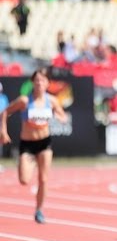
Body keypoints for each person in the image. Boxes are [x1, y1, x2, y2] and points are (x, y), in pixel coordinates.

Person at [0, 68, 67, 224]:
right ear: (32, 82)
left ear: (47, 83)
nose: (39, 83)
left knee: (43, 179)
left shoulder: (51, 101)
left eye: (42, 80)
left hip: (44, 144)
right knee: (24, 180)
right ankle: (26, 162)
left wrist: (60, 117)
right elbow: (4, 113)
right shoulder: (24, 101)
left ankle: (39, 210)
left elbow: (62, 115)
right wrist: (3, 132)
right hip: (27, 145)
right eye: (36, 80)